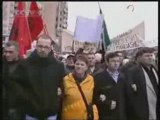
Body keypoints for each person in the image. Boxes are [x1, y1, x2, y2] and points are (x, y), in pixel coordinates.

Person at [8, 34, 66, 120]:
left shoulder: (58, 66)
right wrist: (26, 98)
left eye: (46, 47)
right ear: (36, 46)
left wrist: (59, 93)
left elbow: (64, 85)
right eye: (40, 46)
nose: (43, 49)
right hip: (31, 113)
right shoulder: (25, 64)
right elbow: (15, 84)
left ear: (50, 48)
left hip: (51, 113)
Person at [60, 55, 99, 120]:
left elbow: (95, 98)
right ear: (74, 65)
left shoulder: (91, 80)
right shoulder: (66, 80)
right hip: (69, 116)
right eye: (77, 64)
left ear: (86, 67)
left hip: (85, 116)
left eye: (82, 64)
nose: (79, 66)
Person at [126, 47, 158, 120]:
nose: (150, 58)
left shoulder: (155, 69)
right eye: (147, 56)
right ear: (139, 58)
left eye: (151, 55)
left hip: (156, 106)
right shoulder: (133, 72)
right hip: (143, 109)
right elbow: (130, 93)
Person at [93, 52, 127, 120]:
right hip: (106, 115)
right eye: (113, 61)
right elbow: (94, 97)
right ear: (107, 62)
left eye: (118, 61)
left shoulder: (123, 77)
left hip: (121, 114)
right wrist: (106, 103)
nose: (116, 63)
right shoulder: (99, 77)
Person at [2, 41, 21, 120]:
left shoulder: (24, 66)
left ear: (17, 52)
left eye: (10, 52)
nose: (7, 54)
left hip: (17, 106)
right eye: (6, 52)